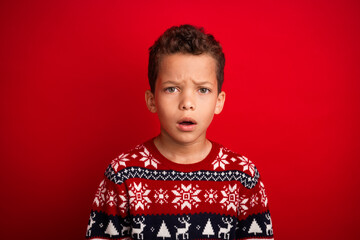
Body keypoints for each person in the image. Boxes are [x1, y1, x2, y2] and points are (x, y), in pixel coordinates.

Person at [85, 24, 274, 240]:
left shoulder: (243, 177)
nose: (187, 103)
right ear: (151, 100)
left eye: (203, 90)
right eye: (171, 89)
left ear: (219, 102)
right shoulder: (122, 176)